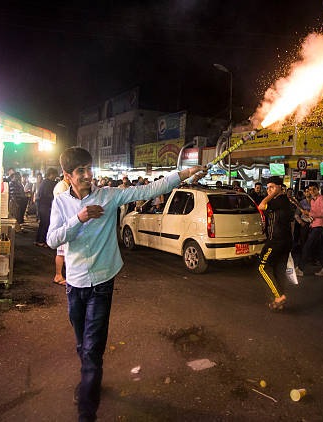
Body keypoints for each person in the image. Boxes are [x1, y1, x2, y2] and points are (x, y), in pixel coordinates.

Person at [47, 147, 205, 422]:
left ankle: (87, 411)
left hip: (102, 283)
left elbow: (149, 190)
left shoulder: (109, 195)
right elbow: (52, 239)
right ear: (67, 176)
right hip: (74, 284)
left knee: (93, 347)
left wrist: (186, 173)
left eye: (89, 169)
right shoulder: (61, 203)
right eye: (80, 171)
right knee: (81, 344)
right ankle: (90, 384)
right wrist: (80, 218)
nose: (87, 175)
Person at [257, 176, 293, 310]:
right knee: (278, 271)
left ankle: (278, 296)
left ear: (280, 187)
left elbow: (261, 205)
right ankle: (281, 298)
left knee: (262, 267)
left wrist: (271, 195)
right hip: (285, 240)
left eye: (272, 187)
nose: (269, 191)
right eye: (267, 188)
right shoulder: (281, 201)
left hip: (276, 241)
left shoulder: (280, 199)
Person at [299, 183, 323, 277]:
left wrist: (309, 213)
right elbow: (313, 214)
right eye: (310, 190)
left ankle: (300, 268)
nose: (311, 191)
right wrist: (308, 215)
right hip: (313, 226)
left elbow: (322, 213)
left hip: (319, 227)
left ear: (318, 189)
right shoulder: (313, 200)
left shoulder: (322, 199)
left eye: (314, 189)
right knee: (319, 249)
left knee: (307, 246)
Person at [51, 175, 71, 285]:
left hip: (62, 222)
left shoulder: (63, 185)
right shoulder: (62, 186)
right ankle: (59, 275)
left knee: (62, 252)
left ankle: (59, 275)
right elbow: (65, 204)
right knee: (63, 252)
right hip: (63, 223)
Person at [35, 168, 58, 248]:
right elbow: (46, 194)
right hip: (45, 206)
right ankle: (41, 241)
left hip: (43, 205)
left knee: (43, 223)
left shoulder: (46, 182)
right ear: (50, 174)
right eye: (54, 175)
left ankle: (39, 240)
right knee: (45, 223)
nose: (55, 176)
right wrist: (55, 197)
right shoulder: (46, 182)